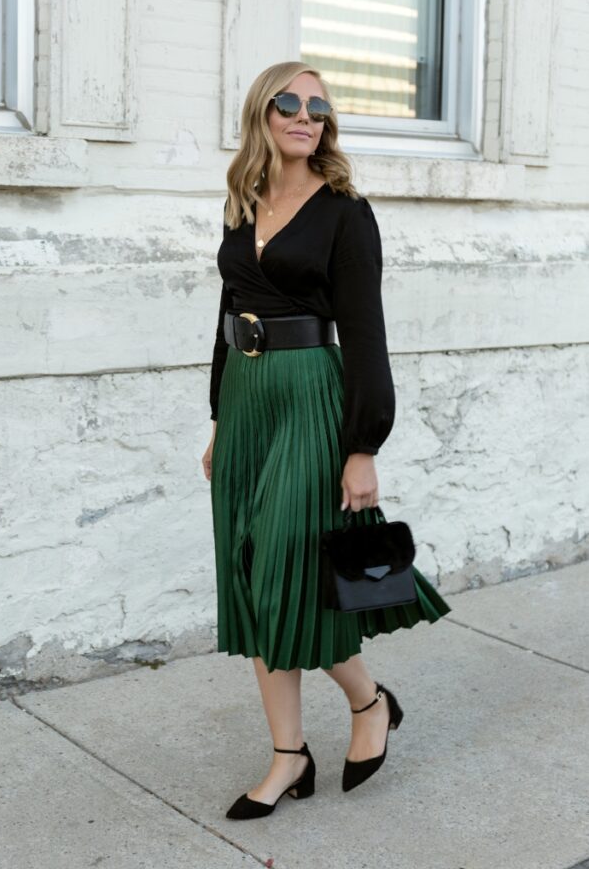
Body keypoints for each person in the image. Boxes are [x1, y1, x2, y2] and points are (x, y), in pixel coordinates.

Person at [201, 61, 450, 820]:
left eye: (317, 106)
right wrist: (218, 416)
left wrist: (363, 443)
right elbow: (227, 308)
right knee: (247, 575)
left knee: (287, 574)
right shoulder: (241, 200)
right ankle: (288, 755)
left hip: (312, 394)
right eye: (288, 103)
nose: (304, 115)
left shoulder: (345, 210)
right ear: (262, 115)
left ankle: (368, 701)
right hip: (247, 401)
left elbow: (366, 331)